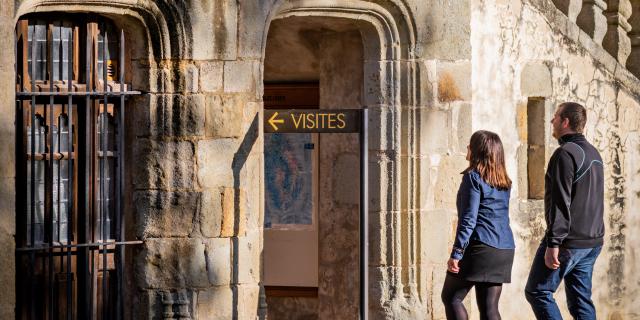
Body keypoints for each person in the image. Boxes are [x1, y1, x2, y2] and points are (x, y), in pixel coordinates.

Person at [525, 102, 604, 320]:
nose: (552, 120)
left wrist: (554, 243)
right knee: (581, 302)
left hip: (569, 241)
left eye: (556, 116)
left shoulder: (565, 154)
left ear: (565, 122)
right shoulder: (593, 153)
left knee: (537, 291)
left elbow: (560, 202)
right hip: (592, 241)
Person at [441, 130, 516, 320]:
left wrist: (457, 253)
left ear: (477, 150)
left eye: (470, 145)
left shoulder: (473, 177)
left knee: (451, 297)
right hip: (504, 249)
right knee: (489, 308)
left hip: (481, 247)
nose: (467, 147)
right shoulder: (504, 181)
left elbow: (469, 219)